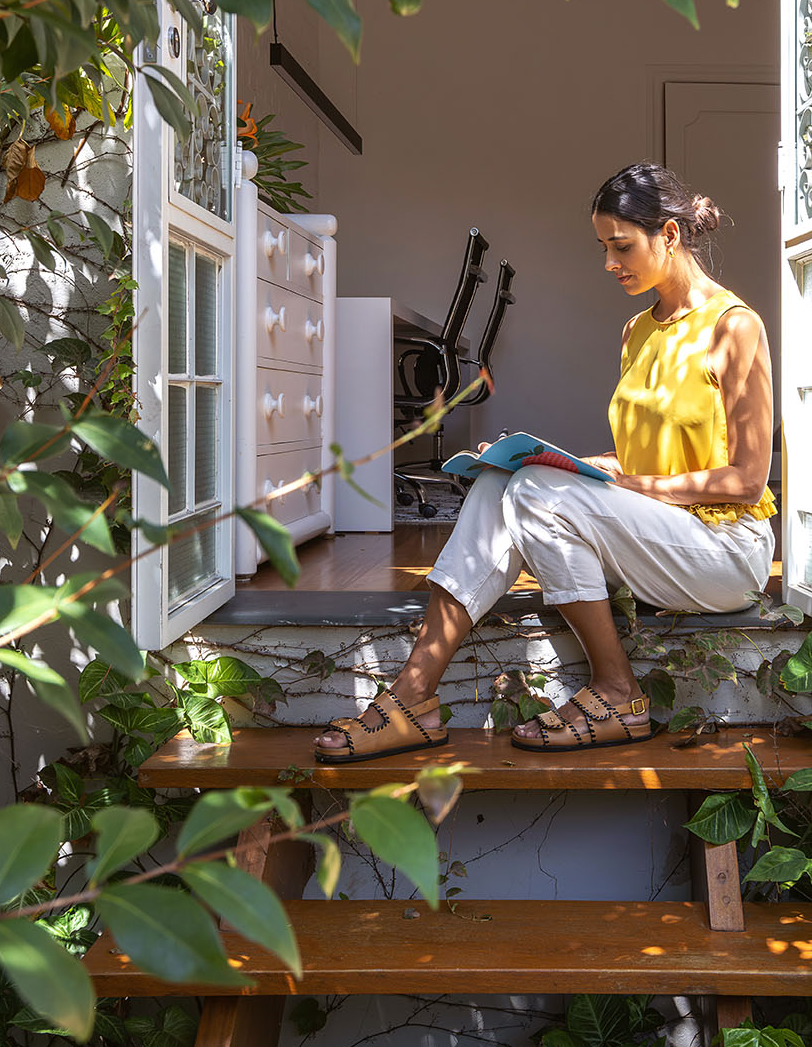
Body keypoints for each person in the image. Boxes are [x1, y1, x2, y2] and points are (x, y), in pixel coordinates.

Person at [314, 162, 776, 760]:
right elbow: (643, 457)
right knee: (502, 482)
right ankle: (415, 696)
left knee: (532, 492)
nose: (610, 263)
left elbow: (745, 480)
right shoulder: (637, 331)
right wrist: (568, 464)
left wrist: (626, 482)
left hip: (725, 549)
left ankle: (616, 691)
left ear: (670, 234)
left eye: (622, 246)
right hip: (662, 534)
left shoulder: (735, 327)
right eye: (603, 247)